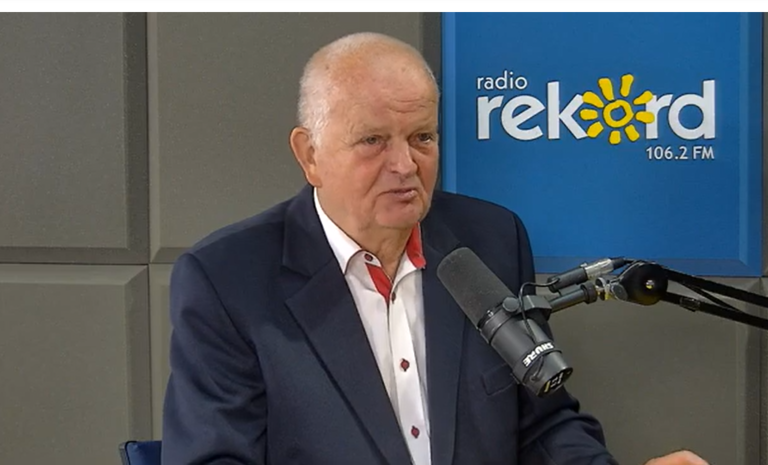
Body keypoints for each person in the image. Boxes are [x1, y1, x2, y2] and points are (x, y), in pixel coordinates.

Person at [162, 32, 708, 465]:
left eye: (421, 137)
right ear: (310, 154)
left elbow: (542, 424)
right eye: (373, 141)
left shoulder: (490, 239)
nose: (405, 165)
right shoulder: (227, 279)